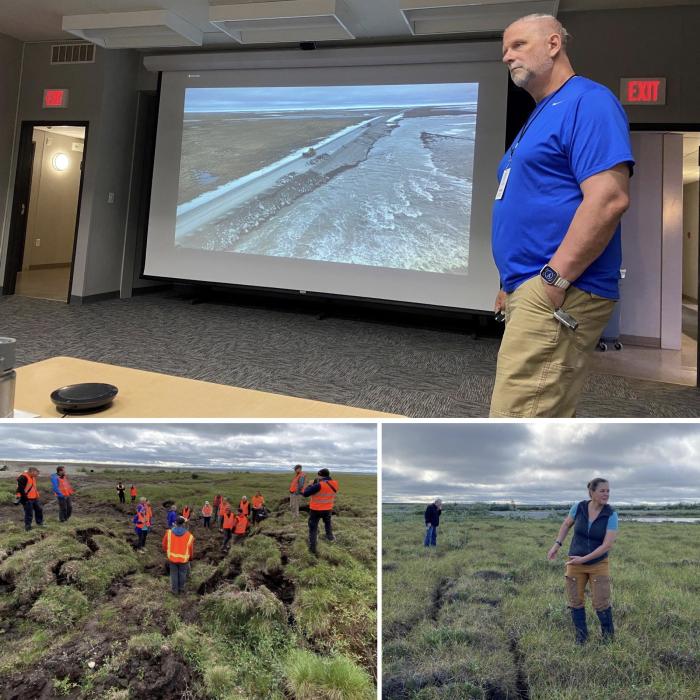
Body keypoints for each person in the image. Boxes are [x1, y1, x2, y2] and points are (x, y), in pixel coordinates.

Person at [490, 14, 633, 418]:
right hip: (531, 288)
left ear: (553, 44)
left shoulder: (589, 101)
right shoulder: (541, 112)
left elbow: (608, 199)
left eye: (518, 45)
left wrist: (552, 280)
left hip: (559, 290)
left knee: (516, 421)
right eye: (505, 48)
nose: (507, 57)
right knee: (543, 413)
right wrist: (510, 283)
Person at [547, 478, 618, 644]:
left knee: (601, 602)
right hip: (574, 563)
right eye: (602, 491)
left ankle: (608, 640)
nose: (606, 494)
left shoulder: (611, 514)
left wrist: (584, 560)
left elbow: (607, 545)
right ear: (591, 492)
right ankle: (581, 637)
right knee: (575, 600)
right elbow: (566, 525)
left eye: (608, 491)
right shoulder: (578, 508)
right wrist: (556, 545)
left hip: (598, 565)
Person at [302, 468, 338, 555]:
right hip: (328, 509)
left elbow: (305, 493)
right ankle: (330, 539)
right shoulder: (335, 484)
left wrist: (310, 485)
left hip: (316, 510)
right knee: (328, 524)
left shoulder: (319, 485)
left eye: (318, 475)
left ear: (320, 475)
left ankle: (312, 548)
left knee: (313, 528)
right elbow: (325, 490)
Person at [162, 516, 194, 595]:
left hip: (172, 559)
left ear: (175, 523)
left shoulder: (169, 533)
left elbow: (164, 544)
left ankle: (174, 591)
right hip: (184, 560)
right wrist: (191, 557)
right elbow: (191, 549)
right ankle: (181, 589)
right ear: (183, 524)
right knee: (182, 574)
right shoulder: (189, 535)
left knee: (173, 574)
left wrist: (167, 551)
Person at [16, 466, 43, 531]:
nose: (37, 475)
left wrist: (36, 496)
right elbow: (20, 489)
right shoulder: (23, 477)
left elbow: (33, 488)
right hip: (27, 498)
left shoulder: (32, 477)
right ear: (32, 472)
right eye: (36, 473)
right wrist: (25, 499)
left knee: (39, 510)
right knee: (29, 513)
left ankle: (39, 523)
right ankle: (28, 527)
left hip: (34, 498)